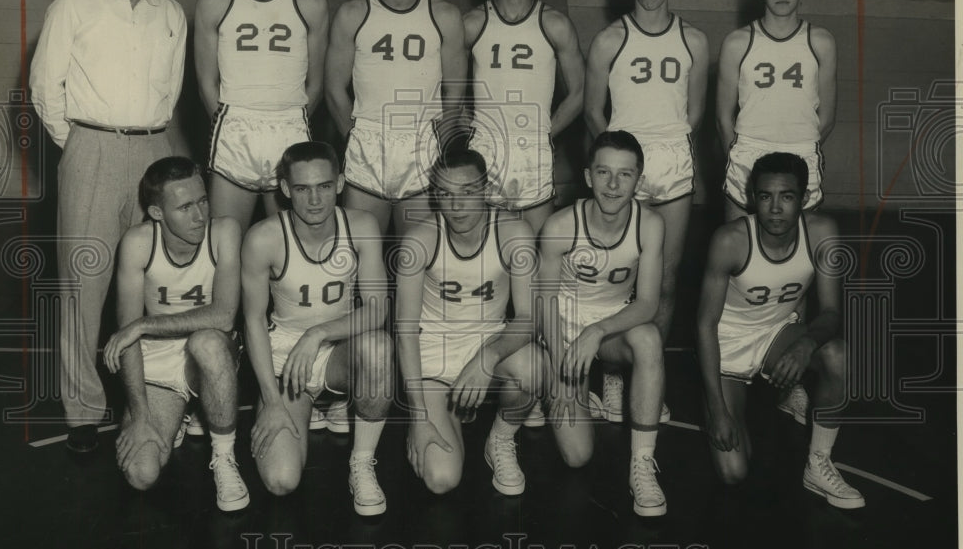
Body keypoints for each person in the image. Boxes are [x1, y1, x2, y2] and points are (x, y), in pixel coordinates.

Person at [30, 0, 188, 453]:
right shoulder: (73, 7)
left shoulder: (171, 13)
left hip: (153, 150)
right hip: (90, 147)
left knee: (157, 283)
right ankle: (82, 412)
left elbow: (170, 93)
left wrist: (150, 144)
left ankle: (158, 398)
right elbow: (45, 89)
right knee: (84, 284)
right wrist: (78, 145)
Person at [584, 0, 709, 423]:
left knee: (668, 279)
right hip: (622, 169)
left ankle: (645, 380)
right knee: (622, 279)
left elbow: (694, 113)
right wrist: (620, 165)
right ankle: (614, 382)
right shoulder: (610, 40)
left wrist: (664, 153)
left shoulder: (693, 40)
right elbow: (594, 112)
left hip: (672, 165)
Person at [695, 152, 864, 509]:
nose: (775, 208)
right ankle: (740, 402)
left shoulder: (822, 232)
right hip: (726, 346)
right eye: (765, 196)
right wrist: (716, 409)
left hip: (776, 335)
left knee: (837, 354)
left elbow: (832, 313)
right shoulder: (730, 240)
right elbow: (705, 325)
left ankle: (818, 465)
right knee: (733, 471)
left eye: (786, 196)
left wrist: (804, 344)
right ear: (751, 196)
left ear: (803, 198)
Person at [241, 141, 394, 516]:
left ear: (340, 183)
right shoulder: (263, 238)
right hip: (286, 363)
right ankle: (314, 405)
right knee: (281, 480)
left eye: (324, 186)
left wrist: (318, 333)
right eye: (303, 189)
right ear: (285, 188)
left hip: (336, 351)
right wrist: (272, 401)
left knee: (377, 347)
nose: (315, 200)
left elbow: (377, 310)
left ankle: (361, 462)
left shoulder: (361, 226)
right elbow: (252, 323)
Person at [102, 157, 249, 511]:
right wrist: (140, 416)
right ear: (156, 212)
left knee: (209, 341)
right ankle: (183, 410)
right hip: (159, 359)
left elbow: (225, 315)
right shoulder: (138, 243)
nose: (200, 215)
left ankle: (225, 457)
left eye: (202, 200)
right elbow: (127, 341)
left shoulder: (224, 231)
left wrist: (144, 324)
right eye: (185, 207)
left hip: (211, 355)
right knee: (141, 473)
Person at [395, 148, 542, 496]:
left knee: (535, 367)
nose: (456, 205)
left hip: (485, 347)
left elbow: (529, 316)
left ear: (486, 189)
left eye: (467, 193)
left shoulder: (513, 233)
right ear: (434, 195)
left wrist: (489, 355)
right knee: (441, 480)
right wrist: (418, 417)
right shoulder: (419, 241)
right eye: (445, 194)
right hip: (434, 358)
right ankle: (447, 412)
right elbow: (405, 332)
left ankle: (500, 440)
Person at [537, 130, 668, 517]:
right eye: (604, 173)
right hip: (559, 332)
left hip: (606, 330)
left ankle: (642, 464)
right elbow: (543, 304)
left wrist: (596, 332)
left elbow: (646, 304)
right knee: (578, 456)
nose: (613, 185)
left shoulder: (651, 225)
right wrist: (564, 367)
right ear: (588, 176)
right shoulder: (560, 227)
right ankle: (561, 387)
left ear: (638, 181)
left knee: (647, 338)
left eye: (625, 175)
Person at [194, 0, 329, 234]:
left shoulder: (310, 0)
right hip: (235, 129)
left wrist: (288, 120)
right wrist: (233, 125)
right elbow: (207, 83)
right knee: (225, 247)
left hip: (289, 129)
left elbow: (316, 84)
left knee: (288, 251)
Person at [325, 0, 467, 236]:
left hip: (422, 147)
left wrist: (438, 149)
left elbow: (455, 93)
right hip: (368, 143)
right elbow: (334, 90)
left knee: (418, 259)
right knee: (358, 257)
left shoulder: (444, 16)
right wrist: (356, 141)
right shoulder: (352, 14)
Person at [465, 0, 585, 237]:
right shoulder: (473, 23)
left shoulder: (555, 24)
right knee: (486, 256)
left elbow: (578, 93)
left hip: (533, 150)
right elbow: (441, 89)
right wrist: (471, 130)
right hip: (485, 152)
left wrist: (546, 131)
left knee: (537, 255)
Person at [716, 0, 836, 223]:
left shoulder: (821, 42)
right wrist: (738, 157)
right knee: (740, 249)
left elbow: (827, 118)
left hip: (801, 152)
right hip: (748, 152)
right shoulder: (737, 43)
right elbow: (723, 119)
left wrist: (800, 146)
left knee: (798, 254)